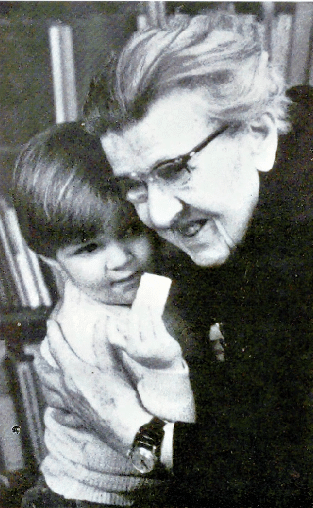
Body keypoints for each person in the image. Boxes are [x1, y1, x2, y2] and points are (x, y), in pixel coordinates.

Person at [75, 12, 313, 507]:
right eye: (134, 186)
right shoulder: (229, 197)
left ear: (260, 134)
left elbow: (306, 484)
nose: (158, 216)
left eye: (177, 169)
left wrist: (127, 426)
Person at [11, 122, 196, 508]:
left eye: (130, 230)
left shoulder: (113, 291)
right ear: (52, 262)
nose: (121, 259)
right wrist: (165, 366)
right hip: (98, 498)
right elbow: (175, 433)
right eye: (90, 247)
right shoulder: (101, 328)